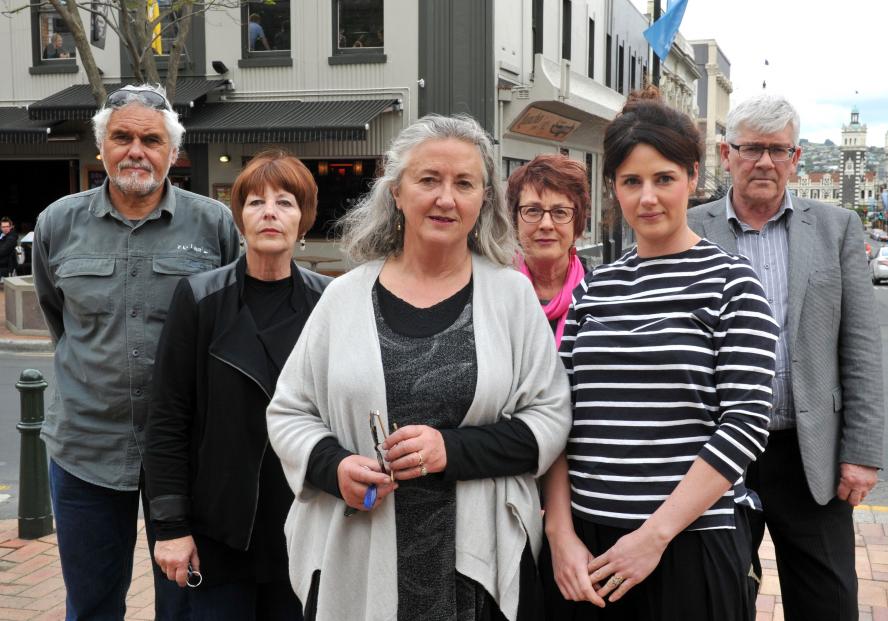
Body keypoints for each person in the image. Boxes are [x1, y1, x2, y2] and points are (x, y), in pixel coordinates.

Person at [266, 114, 572, 621]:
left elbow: (549, 419)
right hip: (359, 556)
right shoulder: (345, 297)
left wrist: (449, 450)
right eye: (428, 180)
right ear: (396, 193)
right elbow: (289, 413)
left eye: (464, 184)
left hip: (478, 564)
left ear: (484, 200)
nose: (446, 199)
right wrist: (332, 466)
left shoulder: (510, 296)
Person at [542, 88, 780, 620]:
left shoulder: (732, 285)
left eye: (664, 179)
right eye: (631, 182)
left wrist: (653, 536)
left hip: (688, 542)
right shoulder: (595, 290)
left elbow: (743, 425)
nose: (648, 198)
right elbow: (558, 414)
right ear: (614, 190)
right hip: (588, 548)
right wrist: (559, 531)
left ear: (693, 178)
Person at [32, 83, 241, 621]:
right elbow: (60, 319)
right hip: (85, 449)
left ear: (173, 151)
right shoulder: (58, 222)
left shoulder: (213, 224)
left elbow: (229, 322)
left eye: (151, 139)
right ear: (101, 146)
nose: (136, 151)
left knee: (186, 605)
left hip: (187, 453)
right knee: (93, 604)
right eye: (121, 136)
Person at [688, 93, 885, 621]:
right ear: (727, 154)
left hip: (810, 454)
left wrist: (861, 452)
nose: (765, 162)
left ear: (796, 159)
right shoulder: (689, 229)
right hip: (715, 455)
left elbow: (860, 346)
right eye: (752, 148)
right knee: (720, 601)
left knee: (829, 603)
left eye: (779, 150)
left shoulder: (837, 228)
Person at [144, 151, 329, 620]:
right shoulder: (200, 298)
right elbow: (167, 418)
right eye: (256, 202)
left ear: (303, 220)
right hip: (219, 531)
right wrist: (170, 527)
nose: (270, 212)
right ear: (240, 218)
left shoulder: (329, 304)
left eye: (285, 202)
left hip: (303, 526)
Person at [506, 154, 590, 346]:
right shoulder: (494, 295)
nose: (546, 224)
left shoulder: (599, 295)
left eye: (560, 212)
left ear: (577, 224)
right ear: (514, 221)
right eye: (533, 211)